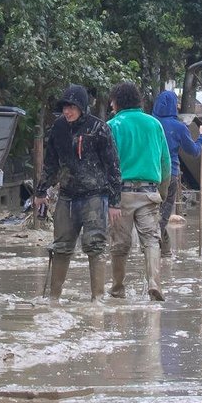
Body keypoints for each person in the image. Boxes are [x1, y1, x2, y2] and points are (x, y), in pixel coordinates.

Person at [35, 84, 121, 301]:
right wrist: (40, 191)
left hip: (95, 195)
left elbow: (113, 166)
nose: (67, 111)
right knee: (61, 246)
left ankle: (97, 300)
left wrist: (114, 202)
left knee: (95, 246)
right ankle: (54, 298)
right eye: (65, 107)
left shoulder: (99, 129)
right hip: (67, 196)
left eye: (72, 107)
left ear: (82, 107)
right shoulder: (58, 129)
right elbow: (51, 163)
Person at [106, 82, 171, 301]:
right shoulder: (155, 125)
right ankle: (153, 282)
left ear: (116, 102)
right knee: (152, 240)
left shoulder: (112, 125)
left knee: (120, 244)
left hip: (120, 195)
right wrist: (162, 192)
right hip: (149, 192)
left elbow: (106, 164)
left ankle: (117, 288)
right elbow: (165, 163)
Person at [151, 89, 202, 257]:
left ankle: (165, 254)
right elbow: (195, 151)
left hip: (149, 175)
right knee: (163, 214)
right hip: (170, 175)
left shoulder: (150, 123)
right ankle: (155, 248)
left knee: (153, 214)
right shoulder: (179, 127)